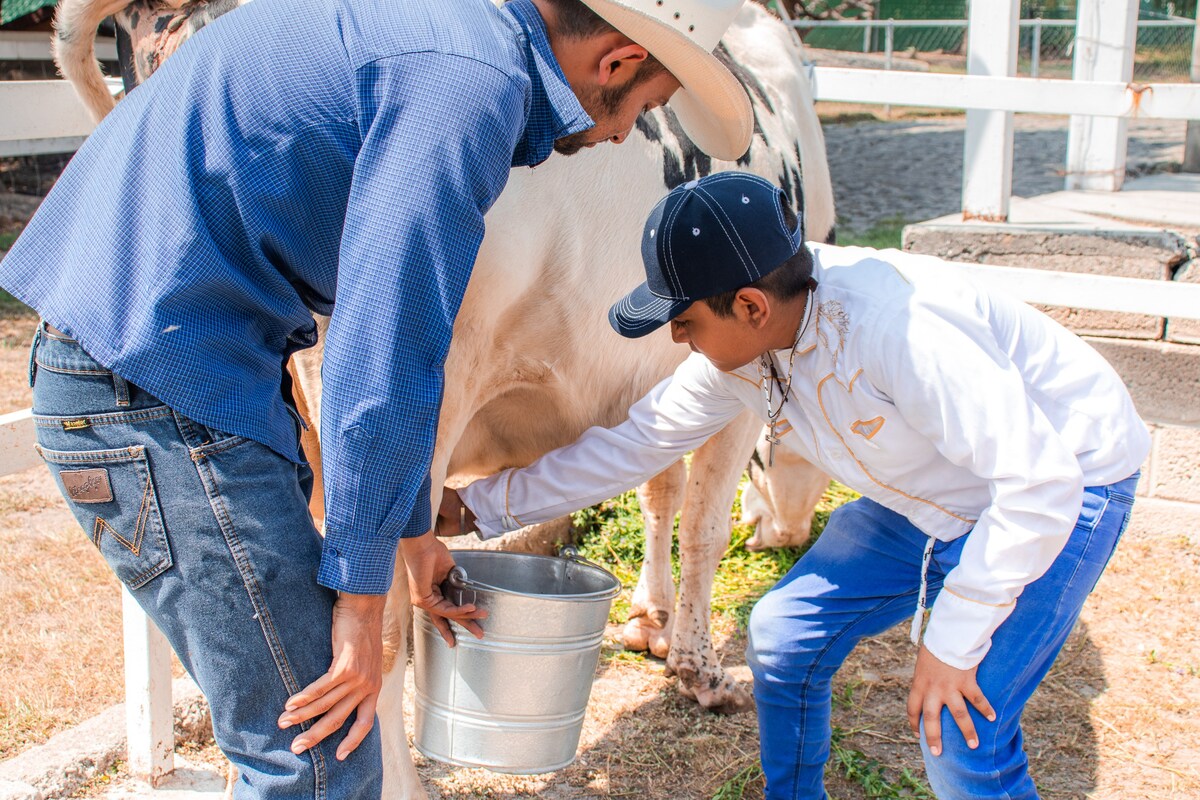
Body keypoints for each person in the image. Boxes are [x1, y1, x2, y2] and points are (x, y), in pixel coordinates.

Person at [0, 0, 755, 796]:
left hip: (166, 360)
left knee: (301, 736)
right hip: (156, 382)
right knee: (322, 752)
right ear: (618, 62)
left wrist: (415, 534)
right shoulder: (472, 83)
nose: (617, 135)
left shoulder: (447, 32)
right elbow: (384, 349)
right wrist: (364, 606)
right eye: (644, 111)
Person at [442, 171, 1150, 799]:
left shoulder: (899, 332)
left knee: (962, 730)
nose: (679, 341)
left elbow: (1039, 482)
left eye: (684, 322)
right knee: (783, 636)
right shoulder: (751, 349)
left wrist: (952, 643)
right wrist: (473, 507)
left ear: (750, 305)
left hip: (1061, 486)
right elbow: (635, 443)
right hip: (934, 496)